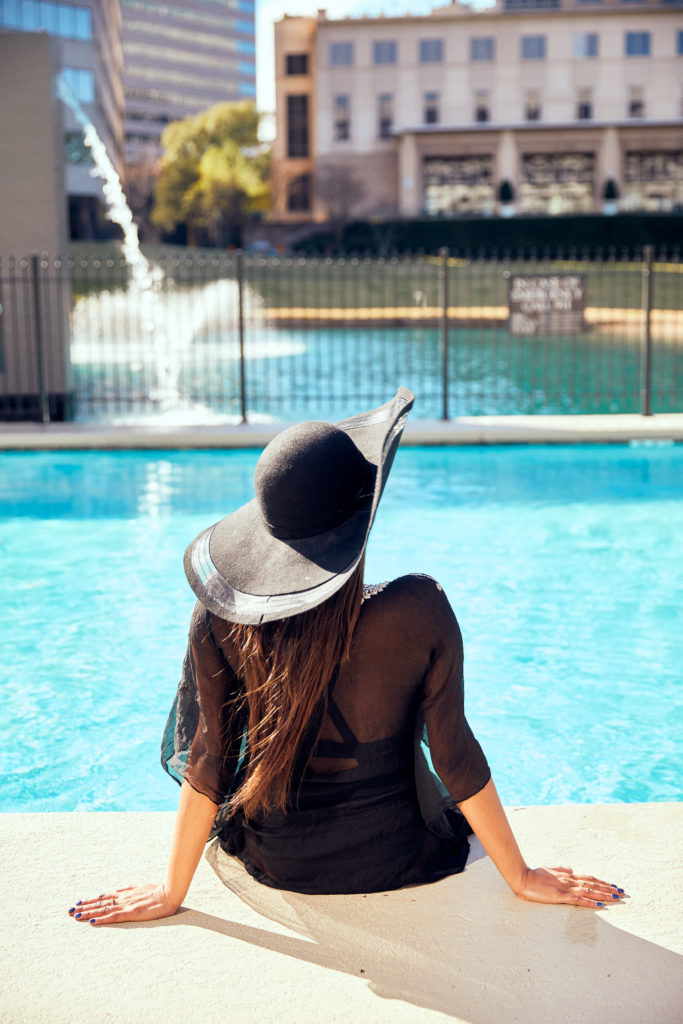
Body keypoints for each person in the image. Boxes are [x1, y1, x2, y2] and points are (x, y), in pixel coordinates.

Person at [68, 388, 625, 925]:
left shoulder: (222, 620)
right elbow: (455, 756)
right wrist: (521, 877)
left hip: (279, 860)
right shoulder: (418, 611)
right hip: (398, 854)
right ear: (360, 526)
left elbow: (208, 761)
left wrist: (171, 892)